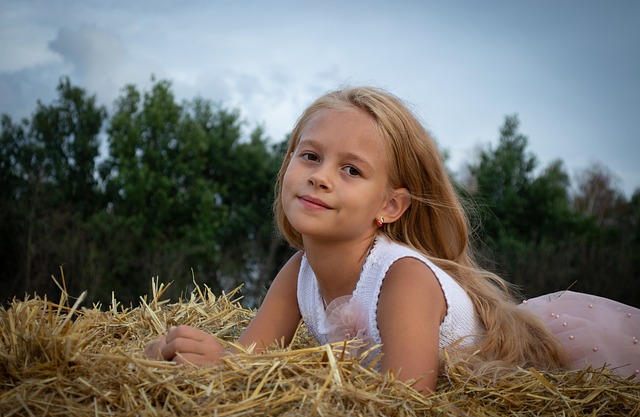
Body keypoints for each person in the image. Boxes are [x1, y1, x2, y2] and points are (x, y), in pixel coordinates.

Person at [145, 86, 639, 393]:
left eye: (351, 169)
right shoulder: (299, 272)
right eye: (310, 156)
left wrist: (251, 373)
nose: (320, 177)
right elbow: (247, 364)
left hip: (543, 361)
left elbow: (404, 398)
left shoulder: (402, 279)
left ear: (390, 206)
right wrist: (183, 358)